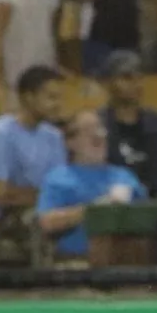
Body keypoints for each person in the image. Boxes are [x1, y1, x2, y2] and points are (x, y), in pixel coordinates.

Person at [36, 110, 147, 260]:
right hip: (77, 260)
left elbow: (148, 216)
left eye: (100, 128)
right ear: (71, 142)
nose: (98, 135)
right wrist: (94, 210)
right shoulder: (58, 178)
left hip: (125, 259)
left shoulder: (124, 176)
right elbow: (47, 222)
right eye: (88, 130)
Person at [0, 64, 67, 242]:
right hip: (6, 219)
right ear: (28, 97)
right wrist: (45, 196)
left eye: (59, 98)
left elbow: (61, 188)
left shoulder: (54, 136)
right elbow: (1, 194)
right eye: (51, 97)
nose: (57, 105)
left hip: (48, 212)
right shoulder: (0, 132)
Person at [96, 50, 157, 194]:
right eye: (127, 78)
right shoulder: (95, 126)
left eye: (139, 77)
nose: (136, 84)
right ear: (107, 82)